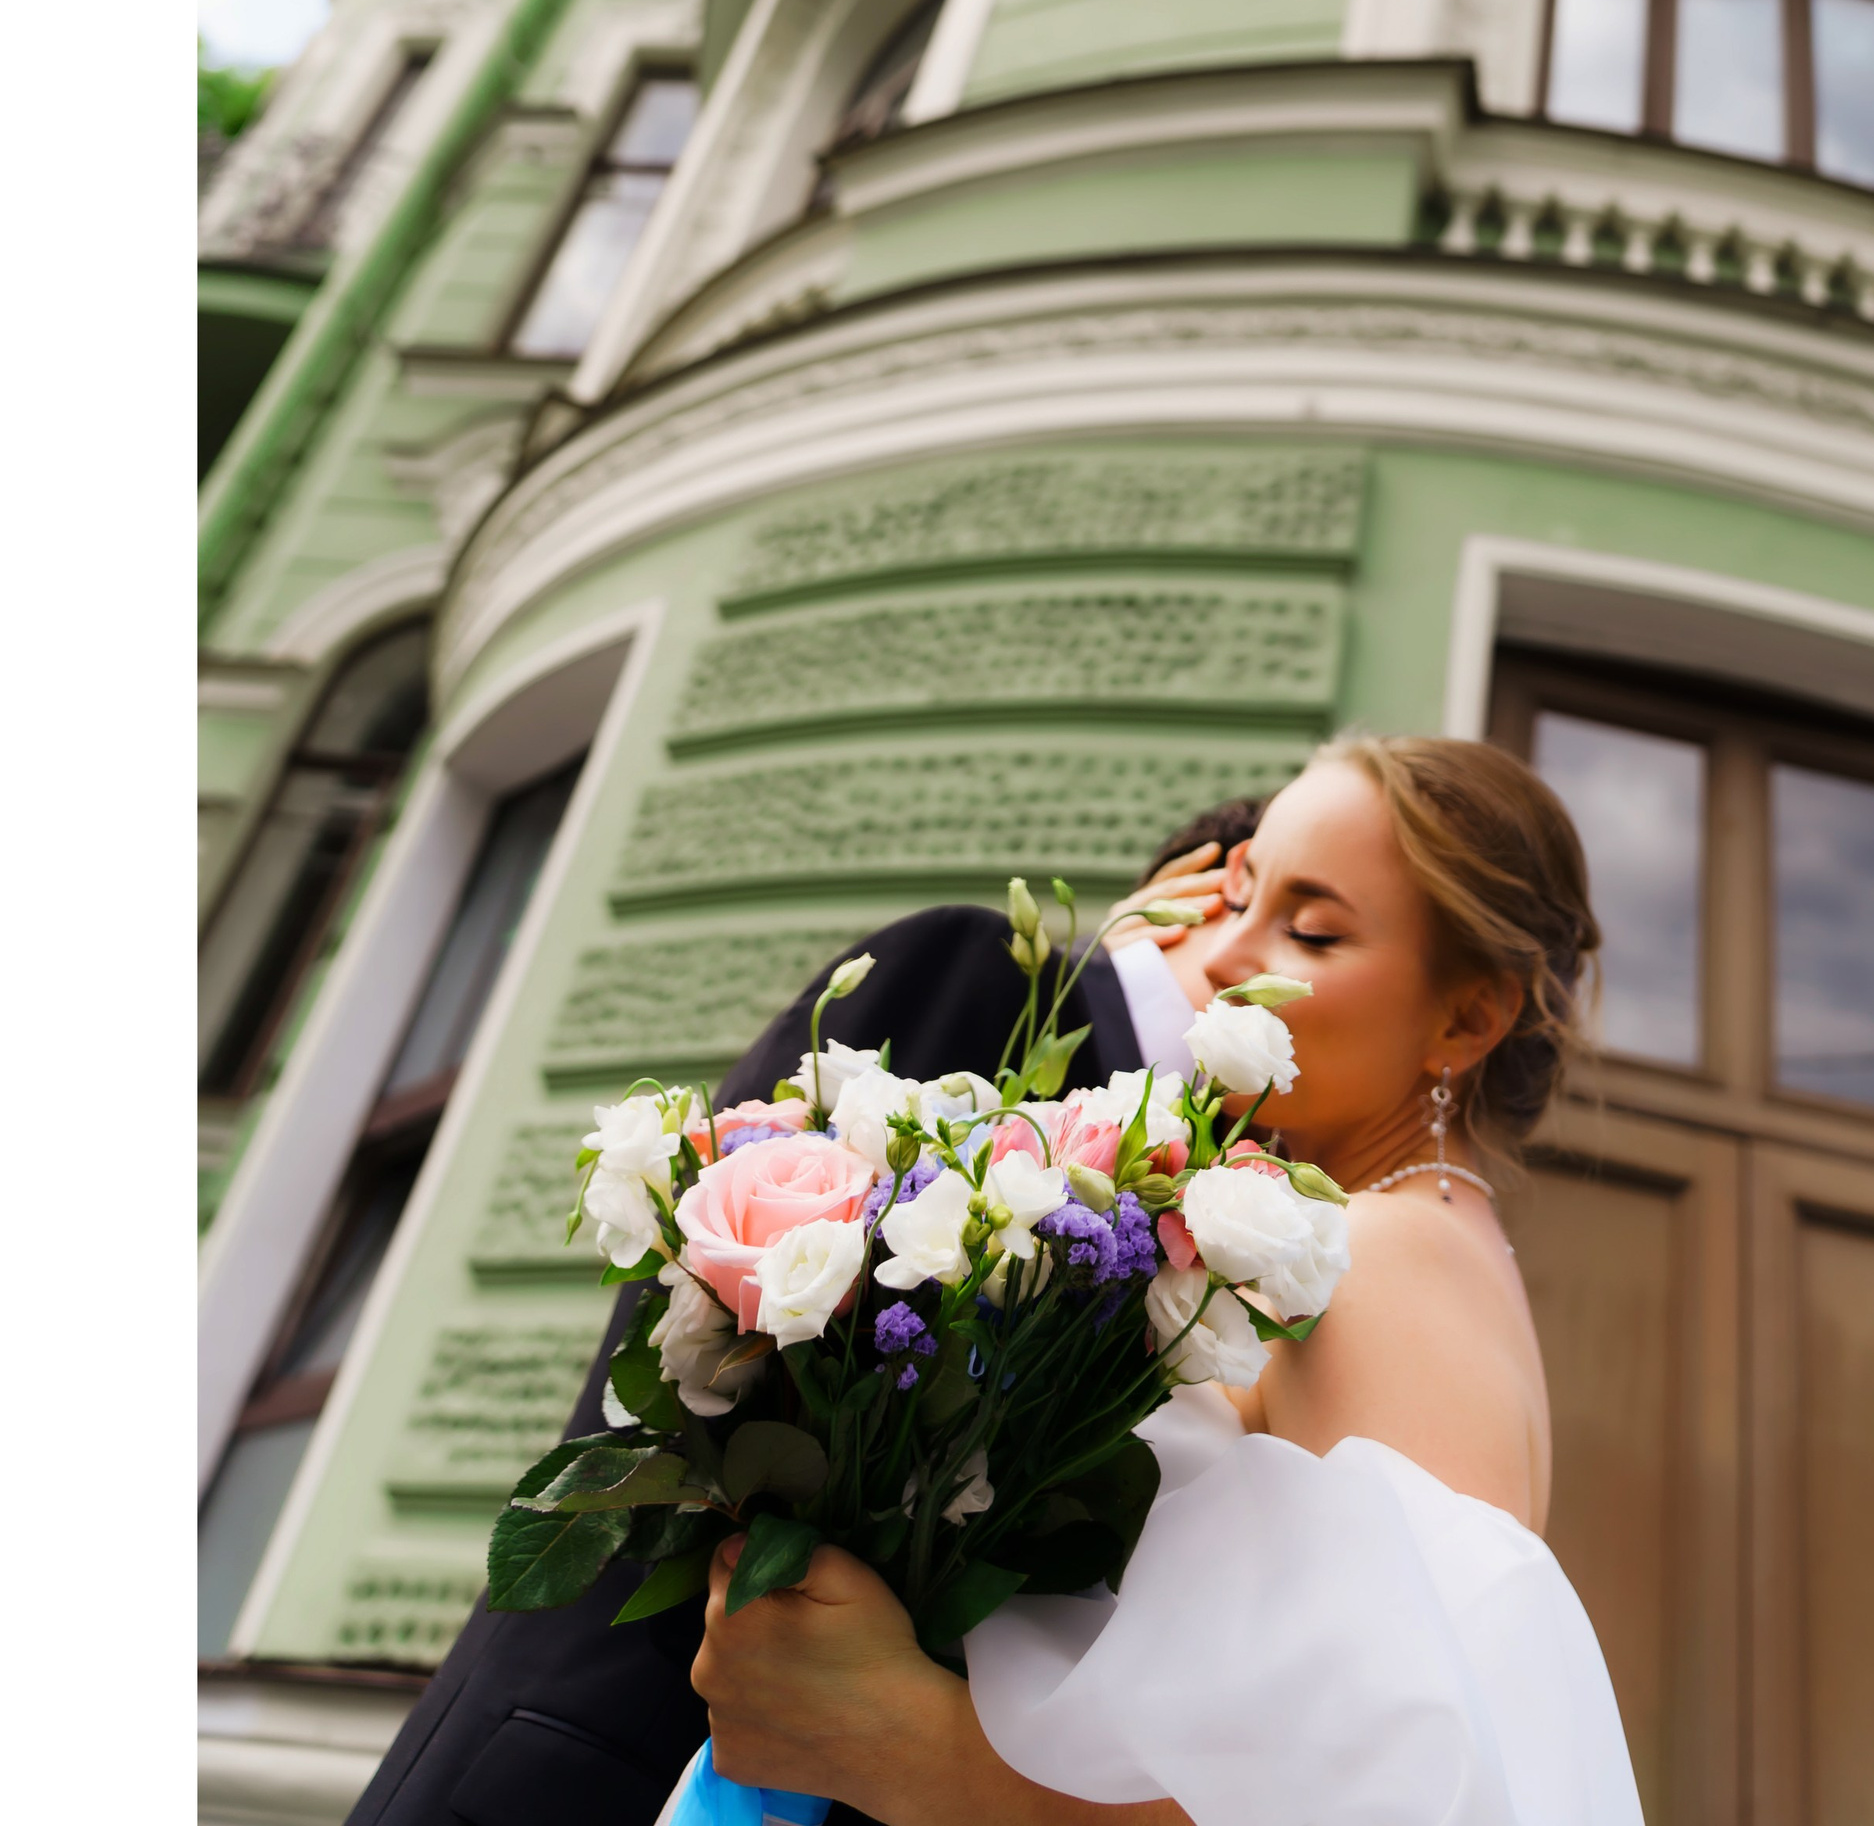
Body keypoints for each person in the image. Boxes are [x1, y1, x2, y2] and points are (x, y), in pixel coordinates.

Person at [685, 734, 1639, 1826]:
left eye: (1310, 927)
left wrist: (920, 1751)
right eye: (1237, 897)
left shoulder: (1385, 1257)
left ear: (1467, 1017)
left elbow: (1393, 1796)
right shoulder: (1386, 1245)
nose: (1230, 955)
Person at [348, 811, 1261, 1826]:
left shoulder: (1209, 1189)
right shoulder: (990, 976)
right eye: (1301, 915)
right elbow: (737, 1356)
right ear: (1209, 884)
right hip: (616, 1747)